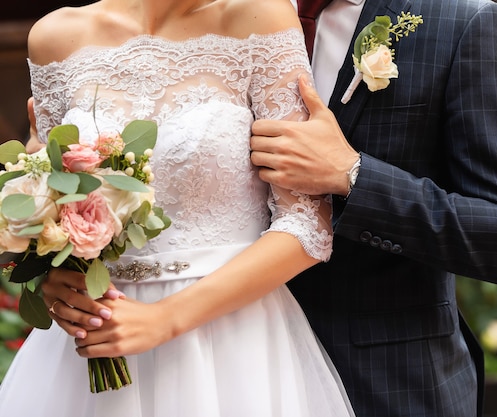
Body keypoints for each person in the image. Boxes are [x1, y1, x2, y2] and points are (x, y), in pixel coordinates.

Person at [0, 1, 356, 416]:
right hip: (95, 337)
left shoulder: (259, 15)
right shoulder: (54, 37)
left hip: (231, 345)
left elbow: (308, 223)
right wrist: (55, 274)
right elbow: (52, 199)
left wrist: (164, 319)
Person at [248, 0, 497, 416]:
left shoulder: (462, 22)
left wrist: (353, 175)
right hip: (238, 373)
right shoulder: (212, 18)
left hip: (388, 387)